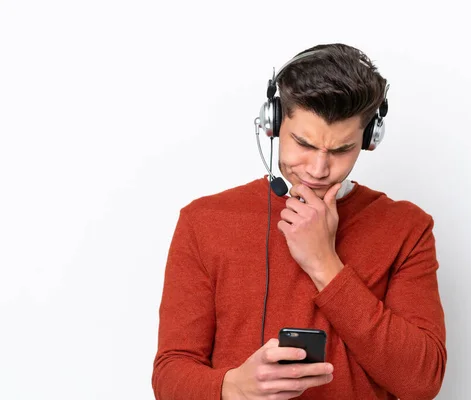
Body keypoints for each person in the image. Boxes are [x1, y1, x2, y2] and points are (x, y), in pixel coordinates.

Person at [152, 43, 446, 400]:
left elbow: (421, 382)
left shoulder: (407, 229)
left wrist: (325, 265)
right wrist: (232, 387)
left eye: (341, 150)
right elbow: (170, 376)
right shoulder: (204, 221)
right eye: (304, 144)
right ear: (273, 124)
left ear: (369, 139)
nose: (319, 169)